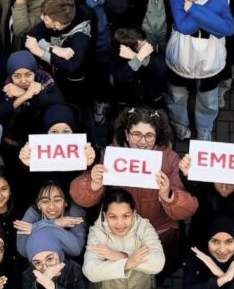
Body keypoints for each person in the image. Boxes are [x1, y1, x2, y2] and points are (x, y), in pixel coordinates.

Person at [71, 107, 197, 267]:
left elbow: (189, 209)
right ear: (126, 134)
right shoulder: (110, 155)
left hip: (158, 233)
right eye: (136, 134)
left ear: (157, 135)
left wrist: (169, 196)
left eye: (149, 135)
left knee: (157, 270)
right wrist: (93, 184)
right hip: (118, 235)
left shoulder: (170, 159)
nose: (143, 141)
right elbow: (79, 197)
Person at [165, 0, 234, 141]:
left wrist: (193, 10)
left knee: (208, 100)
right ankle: (180, 123)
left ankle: (204, 128)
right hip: (181, 59)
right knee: (177, 96)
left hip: (210, 62)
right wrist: (212, 17)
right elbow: (184, 27)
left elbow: (228, 29)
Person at [82, 189, 165, 289]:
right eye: (113, 217)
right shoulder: (97, 232)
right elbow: (90, 271)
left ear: (134, 213)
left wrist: (121, 256)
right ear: (105, 215)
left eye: (126, 216)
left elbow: (157, 263)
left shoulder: (144, 227)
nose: (120, 223)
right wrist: (128, 263)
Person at [15, 180, 86, 259]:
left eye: (57, 200)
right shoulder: (33, 211)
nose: (51, 206)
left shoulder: (75, 211)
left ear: (65, 202)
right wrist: (54, 223)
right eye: (45, 201)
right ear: (38, 204)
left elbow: (76, 249)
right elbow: (23, 249)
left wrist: (36, 228)